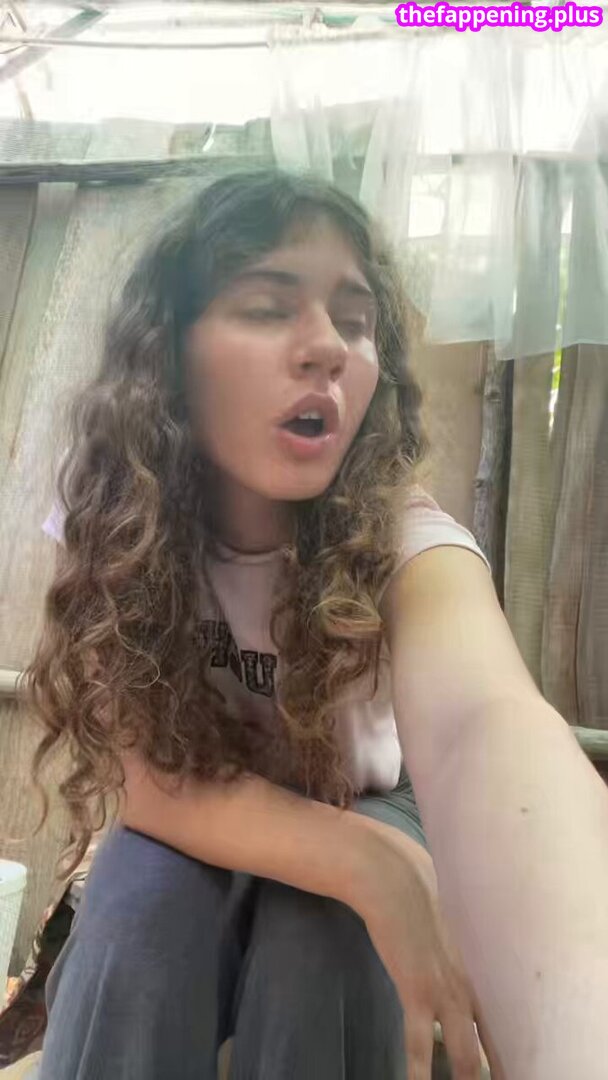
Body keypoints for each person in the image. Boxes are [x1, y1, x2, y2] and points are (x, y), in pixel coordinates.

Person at [22, 166, 608, 1080]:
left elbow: (486, 725)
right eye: (267, 307)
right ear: (168, 349)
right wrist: (362, 864)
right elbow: (142, 774)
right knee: (137, 908)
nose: (329, 347)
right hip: (194, 791)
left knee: (321, 939)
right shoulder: (117, 518)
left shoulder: (405, 541)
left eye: (356, 321)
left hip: (369, 795)